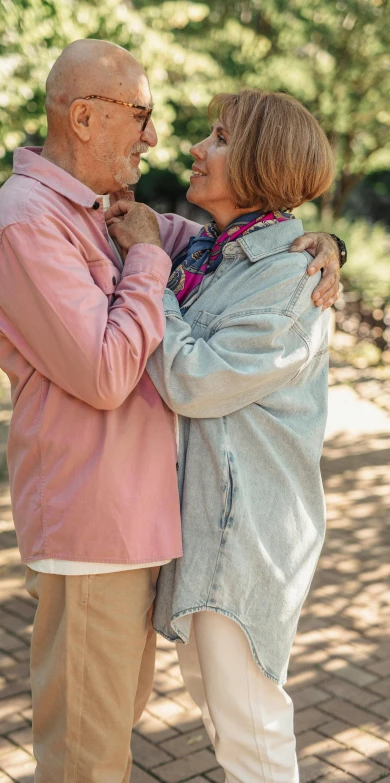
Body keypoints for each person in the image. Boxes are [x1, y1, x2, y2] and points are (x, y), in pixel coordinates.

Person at [0, 38, 341, 782]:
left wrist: (320, 244)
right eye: (141, 113)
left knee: (161, 733)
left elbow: (218, 268)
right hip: (98, 522)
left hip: (173, 531)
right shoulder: (31, 221)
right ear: (83, 116)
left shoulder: (124, 222)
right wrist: (146, 261)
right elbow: (110, 368)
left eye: (217, 137)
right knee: (92, 754)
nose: (162, 138)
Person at [107, 88, 337, 782]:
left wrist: (150, 277)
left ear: (262, 162)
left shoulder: (290, 277)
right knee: (225, 719)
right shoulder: (212, 252)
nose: (195, 150)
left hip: (245, 540)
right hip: (204, 531)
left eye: (219, 138)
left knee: (254, 738)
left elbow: (194, 380)